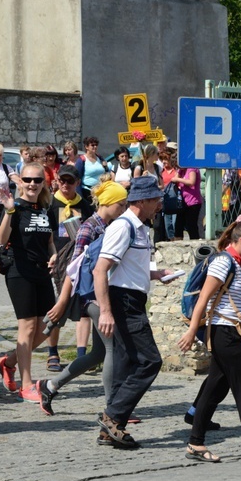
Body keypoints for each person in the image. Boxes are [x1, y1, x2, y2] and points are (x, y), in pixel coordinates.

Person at [177, 216, 241, 466]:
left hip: (235, 330)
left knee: (215, 387)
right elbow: (204, 299)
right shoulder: (223, 262)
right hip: (225, 332)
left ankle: (195, 442)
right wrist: (192, 330)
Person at [38, 179, 128, 422]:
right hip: (93, 297)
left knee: (98, 353)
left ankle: (50, 386)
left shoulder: (112, 225)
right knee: (113, 348)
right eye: (121, 203)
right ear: (108, 202)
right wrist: (62, 301)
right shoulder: (89, 227)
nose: (124, 207)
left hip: (104, 293)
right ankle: (113, 409)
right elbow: (73, 267)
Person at [94, 176, 174, 448]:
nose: (159, 204)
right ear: (140, 201)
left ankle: (111, 428)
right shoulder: (123, 227)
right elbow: (100, 270)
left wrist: (158, 274)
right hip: (124, 302)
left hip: (133, 299)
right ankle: (113, 416)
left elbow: (130, 268)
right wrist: (105, 311)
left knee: (126, 363)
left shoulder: (140, 228)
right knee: (150, 361)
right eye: (154, 199)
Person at [0, 162, 58, 402]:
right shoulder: (15, 207)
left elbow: (49, 240)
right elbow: (1, 239)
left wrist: (53, 254)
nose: (32, 184)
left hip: (42, 272)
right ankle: (27, 384)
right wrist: (9, 211)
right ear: (21, 181)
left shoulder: (46, 209)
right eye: (28, 180)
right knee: (28, 327)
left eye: (37, 180)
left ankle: (8, 361)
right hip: (19, 270)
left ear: (44, 182)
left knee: (48, 326)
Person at [46, 164, 93, 372]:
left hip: (80, 260)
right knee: (58, 306)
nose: (65, 185)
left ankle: (81, 356)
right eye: (62, 180)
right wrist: (50, 256)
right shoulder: (49, 203)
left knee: (83, 307)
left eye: (70, 181)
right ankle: (52, 352)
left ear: (77, 183)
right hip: (57, 261)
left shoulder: (85, 205)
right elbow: (45, 233)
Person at [170, 162, 202, 241]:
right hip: (183, 201)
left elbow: (191, 182)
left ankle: (195, 243)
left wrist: (178, 179)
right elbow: (174, 178)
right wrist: (178, 173)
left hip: (193, 202)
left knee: (191, 225)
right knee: (178, 225)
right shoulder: (181, 170)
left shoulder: (191, 168)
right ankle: (178, 244)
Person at [76, 137, 111, 203]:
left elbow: (106, 172)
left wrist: (106, 167)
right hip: (87, 192)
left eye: (96, 145)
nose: (95, 147)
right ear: (86, 147)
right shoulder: (81, 160)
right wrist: (79, 196)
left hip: (101, 191)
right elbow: (77, 179)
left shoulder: (100, 158)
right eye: (92, 145)